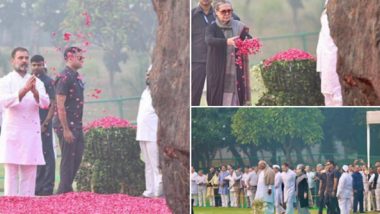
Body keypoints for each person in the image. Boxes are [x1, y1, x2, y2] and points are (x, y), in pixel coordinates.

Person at [0, 47, 50, 196]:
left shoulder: (37, 82)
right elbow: (3, 102)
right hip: (13, 132)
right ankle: (10, 206)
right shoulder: (5, 81)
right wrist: (24, 90)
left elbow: (46, 103)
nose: (24, 61)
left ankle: (27, 207)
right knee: (11, 175)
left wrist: (34, 91)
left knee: (29, 175)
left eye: (26, 58)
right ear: (13, 60)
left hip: (30, 133)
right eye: (20, 58)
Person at [205, 0, 251, 106]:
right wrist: (227, 42)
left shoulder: (239, 26)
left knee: (237, 93)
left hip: (235, 68)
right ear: (216, 12)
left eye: (229, 11)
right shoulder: (211, 28)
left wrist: (249, 42)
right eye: (223, 11)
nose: (227, 14)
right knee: (217, 97)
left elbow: (248, 39)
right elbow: (209, 40)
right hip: (217, 68)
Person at [53, 47, 85, 194]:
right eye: (79, 57)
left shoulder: (76, 76)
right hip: (66, 126)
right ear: (70, 57)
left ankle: (66, 189)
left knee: (77, 158)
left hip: (77, 125)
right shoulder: (64, 77)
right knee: (67, 159)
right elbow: (60, 105)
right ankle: (64, 193)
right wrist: (66, 129)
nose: (82, 59)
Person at [31, 55, 56, 196]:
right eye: (34, 65)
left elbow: (53, 103)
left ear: (43, 65)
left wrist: (46, 123)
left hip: (43, 124)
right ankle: (37, 187)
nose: (36, 68)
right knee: (35, 155)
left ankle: (47, 188)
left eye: (39, 65)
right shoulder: (30, 80)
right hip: (32, 124)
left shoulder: (48, 82)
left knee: (47, 155)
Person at [136, 65, 162, 197]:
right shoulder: (145, 92)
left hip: (153, 133)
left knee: (156, 164)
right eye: (147, 73)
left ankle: (159, 192)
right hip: (142, 133)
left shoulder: (160, 92)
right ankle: (149, 191)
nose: (147, 76)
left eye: (150, 73)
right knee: (148, 165)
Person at [316, 0, 342, 106]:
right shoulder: (327, 9)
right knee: (328, 93)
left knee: (337, 94)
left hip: (334, 61)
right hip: (326, 60)